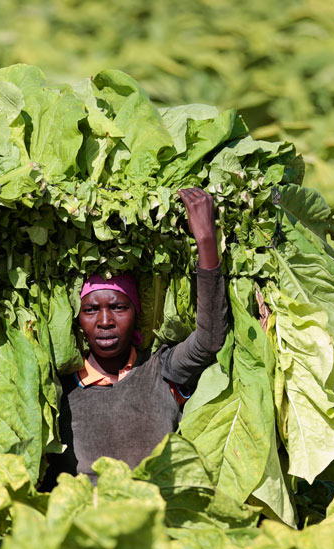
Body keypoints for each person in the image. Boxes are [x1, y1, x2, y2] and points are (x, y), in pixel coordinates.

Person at [43, 187, 229, 487]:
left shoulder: (161, 370)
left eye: (118, 307)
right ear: (77, 319)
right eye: (91, 310)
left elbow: (208, 340)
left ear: (136, 312)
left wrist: (206, 241)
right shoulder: (59, 389)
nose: (105, 321)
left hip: (159, 522)